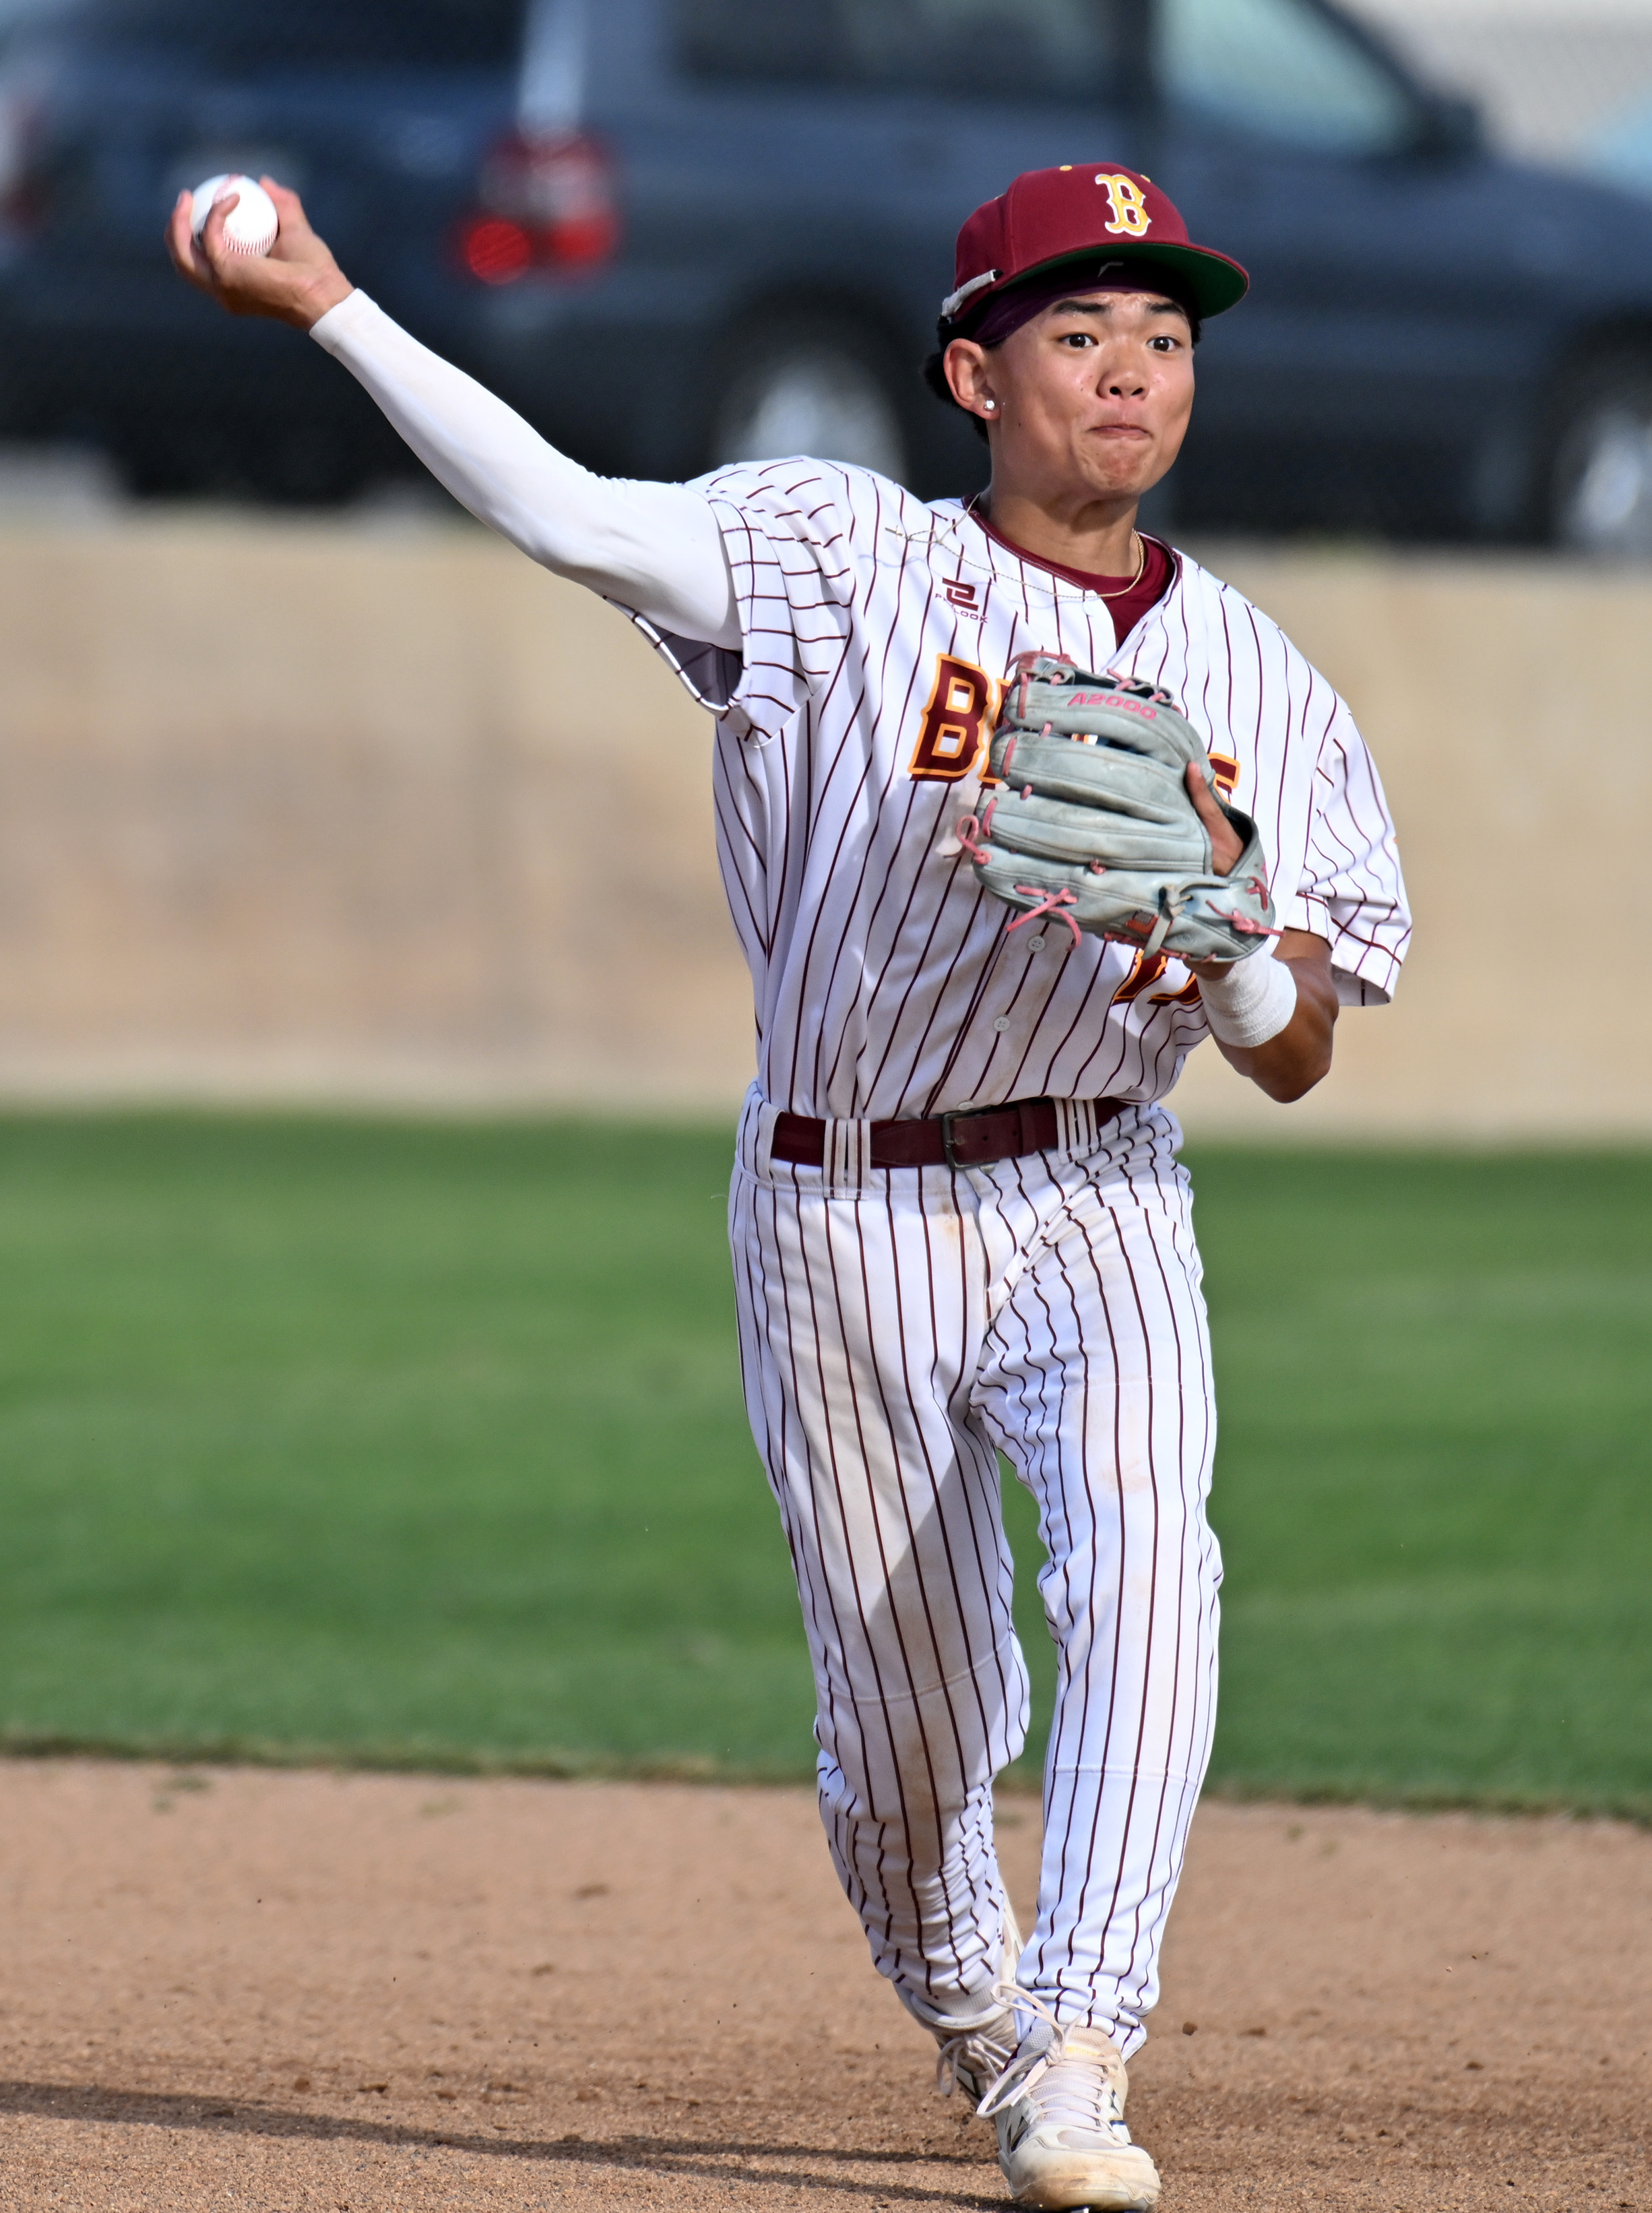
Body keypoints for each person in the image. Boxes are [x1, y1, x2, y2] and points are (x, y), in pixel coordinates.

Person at [169, 162, 1409, 2212]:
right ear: (967, 370)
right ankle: (980, 2017)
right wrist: (331, 306)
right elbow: (568, 512)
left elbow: (1297, 1049)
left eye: (1166, 336)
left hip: (1098, 1187)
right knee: (914, 1726)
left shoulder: (1264, 677)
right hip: (837, 1215)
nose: (1130, 372)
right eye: (1079, 331)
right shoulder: (836, 556)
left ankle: (1087, 2035)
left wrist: (1226, 937)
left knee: (1146, 1571)